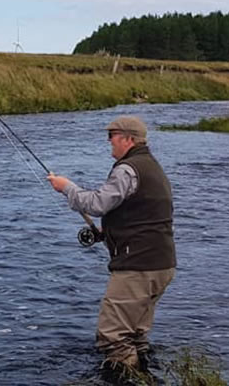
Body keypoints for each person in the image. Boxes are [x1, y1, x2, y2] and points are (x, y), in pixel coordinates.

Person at [46, 115, 176, 379]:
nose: (109, 141)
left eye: (112, 136)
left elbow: (97, 204)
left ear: (128, 139)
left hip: (137, 267)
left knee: (113, 336)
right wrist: (108, 232)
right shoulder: (151, 166)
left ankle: (126, 379)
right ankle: (144, 377)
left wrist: (66, 187)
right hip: (161, 264)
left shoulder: (127, 169)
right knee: (136, 335)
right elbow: (144, 215)